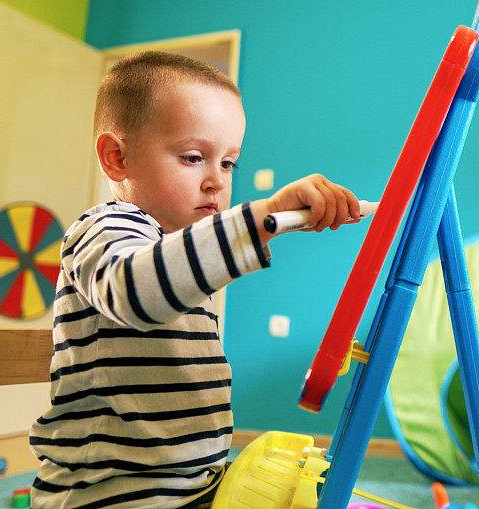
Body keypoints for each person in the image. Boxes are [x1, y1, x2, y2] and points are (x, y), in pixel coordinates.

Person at [28, 51, 361, 508]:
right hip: (110, 493)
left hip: (189, 485)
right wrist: (262, 217)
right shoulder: (106, 228)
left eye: (228, 164)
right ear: (116, 157)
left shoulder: (180, 251)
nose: (216, 182)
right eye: (193, 157)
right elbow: (134, 290)